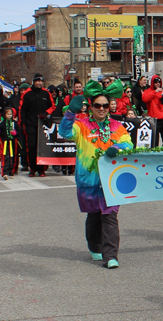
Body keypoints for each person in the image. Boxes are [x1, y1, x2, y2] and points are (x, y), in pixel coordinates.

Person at [58, 79, 133, 269]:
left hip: (111, 181)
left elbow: (129, 143)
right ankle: (94, 246)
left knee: (109, 216)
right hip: (89, 180)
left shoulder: (117, 126)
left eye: (105, 105)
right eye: (98, 105)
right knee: (93, 216)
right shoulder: (81, 125)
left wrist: (117, 147)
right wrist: (70, 112)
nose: (102, 108)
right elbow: (64, 132)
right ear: (91, 106)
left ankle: (111, 256)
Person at [19, 73, 56, 177]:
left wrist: (46, 113)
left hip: (43, 125)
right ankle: (32, 169)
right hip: (31, 124)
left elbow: (52, 106)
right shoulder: (27, 93)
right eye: (37, 81)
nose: (39, 83)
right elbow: (22, 110)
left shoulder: (46, 93)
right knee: (31, 147)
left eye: (41, 81)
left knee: (43, 148)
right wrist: (23, 124)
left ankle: (42, 169)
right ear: (34, 82)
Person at [142, 75, 163, 147]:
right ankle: (155, 153)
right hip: (154, 118)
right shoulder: (148, 91)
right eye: (155, 82)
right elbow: (145, 99)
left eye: (159, 82)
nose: (157, 83)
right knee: (154, 139)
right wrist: (155, 92)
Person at [0, 107, 19, 180]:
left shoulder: (14, 123)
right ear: (5, 115)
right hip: (5, 142)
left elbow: (19, 131)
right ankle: (5, 172)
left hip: (12, 141)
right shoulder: (2, 123)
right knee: (5, 157)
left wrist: (15, 134)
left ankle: (11, 171)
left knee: (12, 157)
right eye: (8, 114)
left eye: (10, 114)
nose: (9, 115)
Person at [17, 82, 30, 171]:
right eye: (21, 90)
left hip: (29, 124)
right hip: (19, 125)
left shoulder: (31, 99)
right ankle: (24, 163)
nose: (23, 92)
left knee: (30, 145)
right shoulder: (15, 100)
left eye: (25, 90)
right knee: (22, 146)